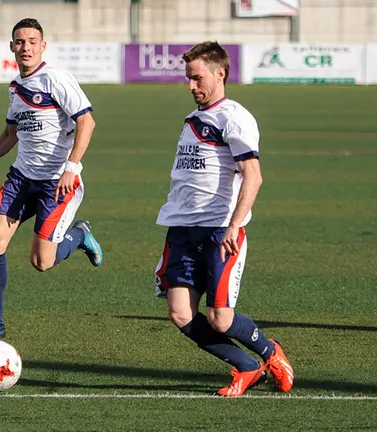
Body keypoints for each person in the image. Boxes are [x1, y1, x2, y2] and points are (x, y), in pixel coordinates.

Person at [154, 41, 294, 397]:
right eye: (188, 78)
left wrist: (234, 224)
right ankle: (246, 367)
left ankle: (269, 351)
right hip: (182, 231)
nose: (190, 86)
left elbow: (253, 174)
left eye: (197, 78)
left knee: (221, 319)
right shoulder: (194, 120)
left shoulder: (234, 116)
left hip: (219, 232)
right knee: (180, 312)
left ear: (220, 74)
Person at [0, 18, 103, 340]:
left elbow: (87, 122)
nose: (26, 47)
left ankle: (79, 236)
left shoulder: (56, 79)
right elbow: (11, 134)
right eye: (20, 42)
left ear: (43, 46)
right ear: (12, 47)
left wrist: (72, 167)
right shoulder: (15, 87)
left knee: (42, 261)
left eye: (32, 41)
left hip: (57, 182)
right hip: (22, 178)